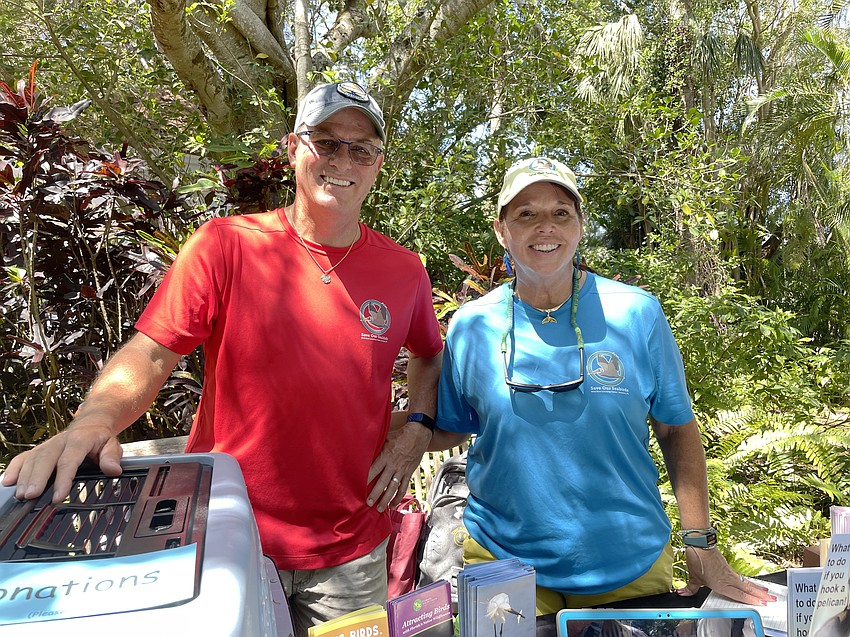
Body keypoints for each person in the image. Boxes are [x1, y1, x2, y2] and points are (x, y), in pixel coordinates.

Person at [2, 81, 443, 635]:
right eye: (326, 142)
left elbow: (430, 355)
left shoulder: (404, 270)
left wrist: (419, 426)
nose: (342, 160)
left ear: (378, 163)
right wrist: (93, 422)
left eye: (361, 148)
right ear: (292, 149)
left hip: (351, 550)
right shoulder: (226, 244)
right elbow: (154, 350)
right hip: (230, 536)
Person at [428, 156, 773, 614]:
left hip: (628, 562)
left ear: (580, 225)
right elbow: (451, 427)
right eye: (526, 214)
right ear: (501, 230)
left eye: (560, 213)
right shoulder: (471, 325)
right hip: (502, 564)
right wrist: (373, 425)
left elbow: (675, 428)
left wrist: (700, 545)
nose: (544, 227)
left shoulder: (636, 313)